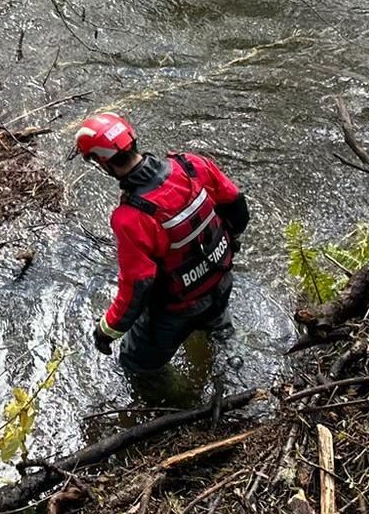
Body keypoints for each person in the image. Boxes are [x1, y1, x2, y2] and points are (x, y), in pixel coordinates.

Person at [76, 110, 248, 374]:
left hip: (176, 310)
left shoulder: (130, 218)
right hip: (220, 280)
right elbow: (236, 205)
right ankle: (234, 358)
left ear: (102, 162)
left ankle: (175, 406)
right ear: (132, 138)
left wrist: (107, 330)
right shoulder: (192, 165)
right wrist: (230, 243)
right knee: (220, 327)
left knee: (135, 366)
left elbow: (138, 286)